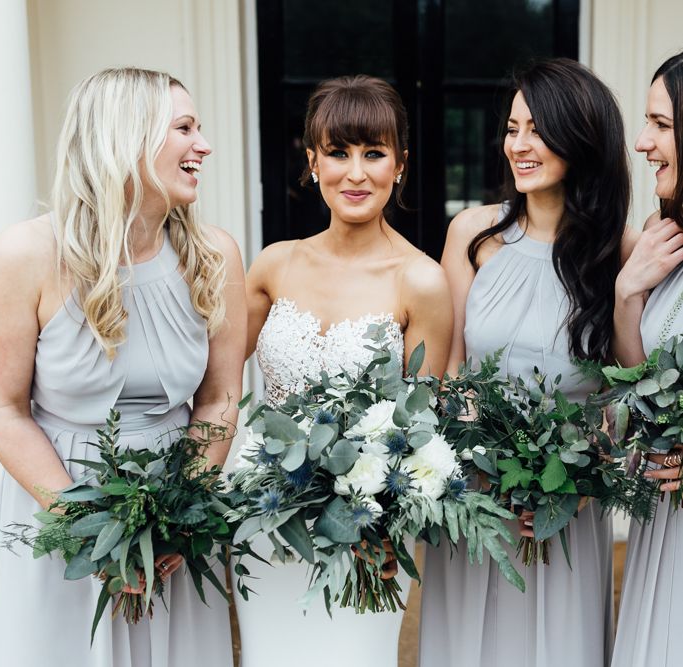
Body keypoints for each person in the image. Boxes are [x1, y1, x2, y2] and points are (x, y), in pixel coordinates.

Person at [0, 67, 246, 666]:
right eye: (184, 128)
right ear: (127, 138)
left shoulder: (214, 254)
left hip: (173, 514)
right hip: (60, 505)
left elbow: (221, 397)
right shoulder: (25, 254)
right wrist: (90, 530)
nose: (203, 145)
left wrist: (180, 512)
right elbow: (1, 407)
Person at [419, 58, 631, 667]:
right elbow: (452, 367)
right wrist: (476, 465)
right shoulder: (473, 234)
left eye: (536, 129)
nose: (519, 145)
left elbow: (621, 393)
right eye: (512, 128)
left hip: (566, 508)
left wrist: (577, 489)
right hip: (476, 501)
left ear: (580, 137)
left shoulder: (620, 253)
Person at [235, 74, 453, 667]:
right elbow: (214, 385)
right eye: (337, 152)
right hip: (266, 516)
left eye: (374, 153)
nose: (355, 173)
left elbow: (423, 424)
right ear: (312, 162)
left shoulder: (423, 281)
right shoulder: (273, 266)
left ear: (400, 165)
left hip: (366, 525)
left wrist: (384, 525)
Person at [611, 51, 683, 666]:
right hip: (665, 515)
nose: (642, 143)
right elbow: (641, 389)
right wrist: (629, 295)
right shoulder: (662, 244)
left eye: (661, 124)